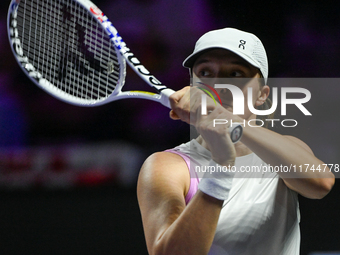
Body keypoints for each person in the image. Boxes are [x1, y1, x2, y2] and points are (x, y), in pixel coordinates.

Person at [136, 28, 335, 255]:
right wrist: (221, 165)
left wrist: (226, 120)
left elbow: (320, 184)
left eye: (236, 74)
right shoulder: (168, 166)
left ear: (262, 95)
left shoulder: (286, 148)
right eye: (206, 72)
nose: (219, 83)